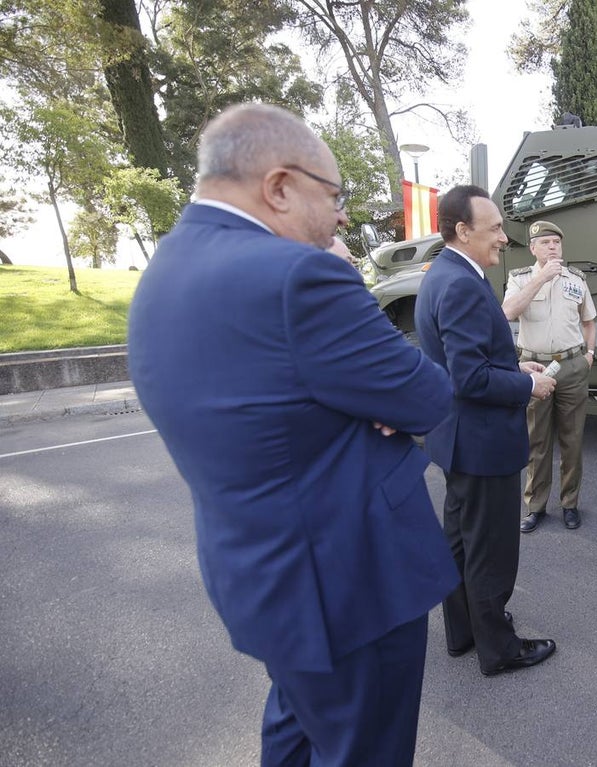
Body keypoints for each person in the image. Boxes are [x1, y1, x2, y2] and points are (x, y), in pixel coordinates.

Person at [127, 103, 460, 766]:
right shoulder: (300, 276)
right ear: (279, 187)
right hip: (347, 584)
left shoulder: (164, 269)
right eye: (332, 195)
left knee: (296, 728)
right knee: (364, 750)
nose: (341, 216)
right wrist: (367, 402)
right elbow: (427, 394)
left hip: (262, 577)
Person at [414, 185, 560, 677]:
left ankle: (465, 633)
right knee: (490, 551)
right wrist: (528, 383)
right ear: (463, 230)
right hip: (482, 444)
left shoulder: (443, 275)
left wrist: (516, 362)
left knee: (459, 542)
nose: (503, 237)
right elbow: (470, 377)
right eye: (494, 227)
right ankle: (499, 649)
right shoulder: (461, 284)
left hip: (457, 440)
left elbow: (472, 358)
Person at [502, 220, 597, 533]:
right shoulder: (520, 279)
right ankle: (535, 507)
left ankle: (570, 503)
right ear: (532, 248)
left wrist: (589, 356)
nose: (552, 246)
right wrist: (540, 279)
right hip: (535, 368)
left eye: (556, 241)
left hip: (571, 365)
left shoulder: (576, 280)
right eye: (545, 242)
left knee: (572, 439)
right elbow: (508, 313)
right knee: (536, 441)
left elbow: (589, 322)